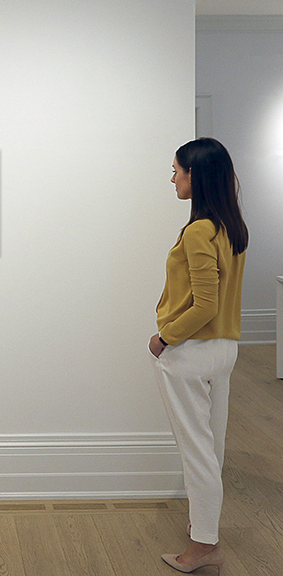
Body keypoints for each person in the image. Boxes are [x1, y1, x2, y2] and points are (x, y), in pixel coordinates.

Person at [149, 138, 248, 575]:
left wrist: (164, 337)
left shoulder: (197, 230)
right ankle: (205, 533)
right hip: (224, 350)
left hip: (191, 352)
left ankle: (203, 546)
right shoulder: (231, 227)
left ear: (196, 175)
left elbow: (204, 304)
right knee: (213, 448)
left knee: (197, 453)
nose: (172, 178)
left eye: (176, 170)